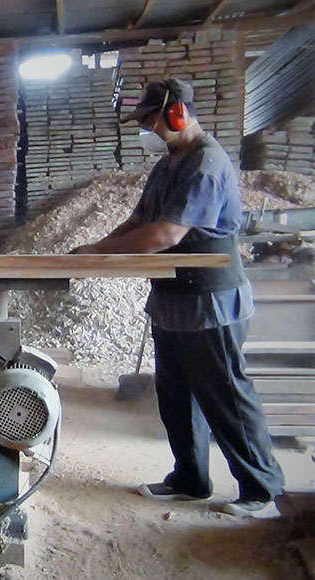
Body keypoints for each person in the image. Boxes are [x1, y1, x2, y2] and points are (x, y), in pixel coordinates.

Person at [71, 79, 284, 518]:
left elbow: (167, 233)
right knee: (176, 393)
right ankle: (190, 479)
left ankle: (261, 489)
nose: (148, 129)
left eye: (151, 120)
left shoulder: (206, 163)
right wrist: (96, 248)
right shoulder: (169, 163)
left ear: (177, 114)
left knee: (224, 394)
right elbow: (139, 219)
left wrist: (100, 253)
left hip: (209, 298)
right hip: (172, 295)